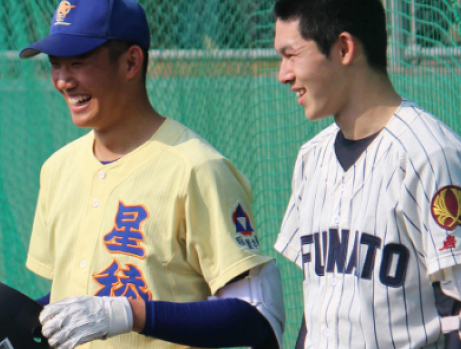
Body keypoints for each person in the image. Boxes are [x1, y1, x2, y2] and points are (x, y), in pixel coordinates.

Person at [19, 1, 285, 349]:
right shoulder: (57, 168)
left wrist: (129, 313)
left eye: (78, 62)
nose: (64, 80)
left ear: (131, 62)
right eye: (55, 64)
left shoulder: (196, 167)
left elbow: (255, 316)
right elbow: (74, 290)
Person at [271, 0, 461, 348]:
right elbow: (317, 316)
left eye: (291, 55)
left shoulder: (433, 157)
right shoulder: (311, 159)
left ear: (343, 48)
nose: (283, 74)